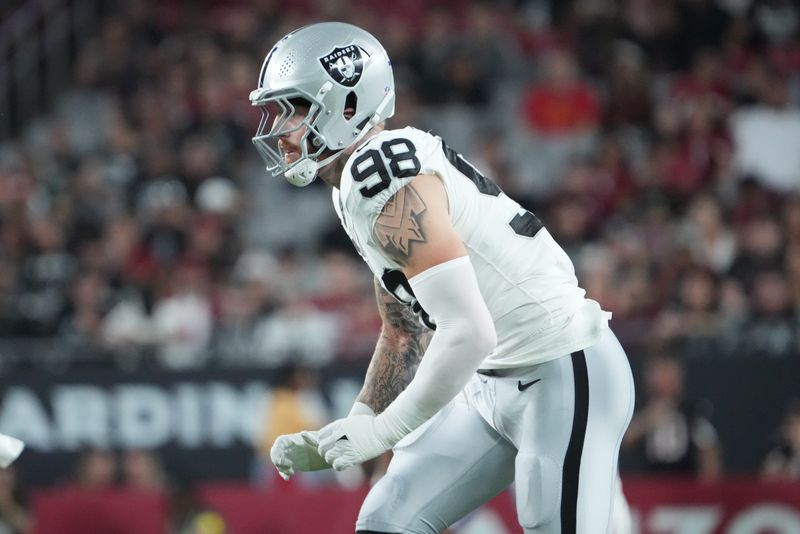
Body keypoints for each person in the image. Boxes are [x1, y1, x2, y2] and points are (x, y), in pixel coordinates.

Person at [257, 22, 635, 534]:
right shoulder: (355, 184)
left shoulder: (380, 176)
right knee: (387, 521)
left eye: (295, 109)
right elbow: (403, 328)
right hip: (489, 382)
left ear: (347, 107)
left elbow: (469, 332)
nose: (280, 130)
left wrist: (383, 433)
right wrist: (360, 420)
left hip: (562, 367)